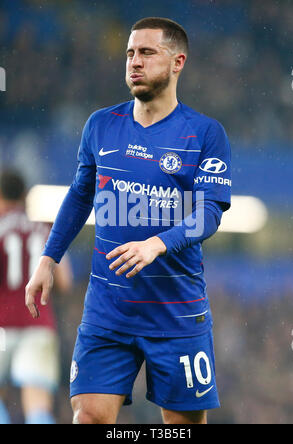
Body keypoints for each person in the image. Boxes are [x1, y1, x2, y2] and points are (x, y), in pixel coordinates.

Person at [25, 17, 231, 425]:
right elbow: (81, 195)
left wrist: (158, 243)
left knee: (183, 425)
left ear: (177, 62)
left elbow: (209, 213)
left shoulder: (206, 133)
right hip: (108, 310)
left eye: (147, 53)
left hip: (177, 313)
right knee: (89, 416)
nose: (134, 62)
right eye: (130, 53)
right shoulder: (100, 125)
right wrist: (49, 258)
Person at [0, 169, 73, 424]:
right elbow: (65, 282)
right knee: (37, 407)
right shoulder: (45, 228)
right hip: (38, 326)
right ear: (23, 195)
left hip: (1, 329)